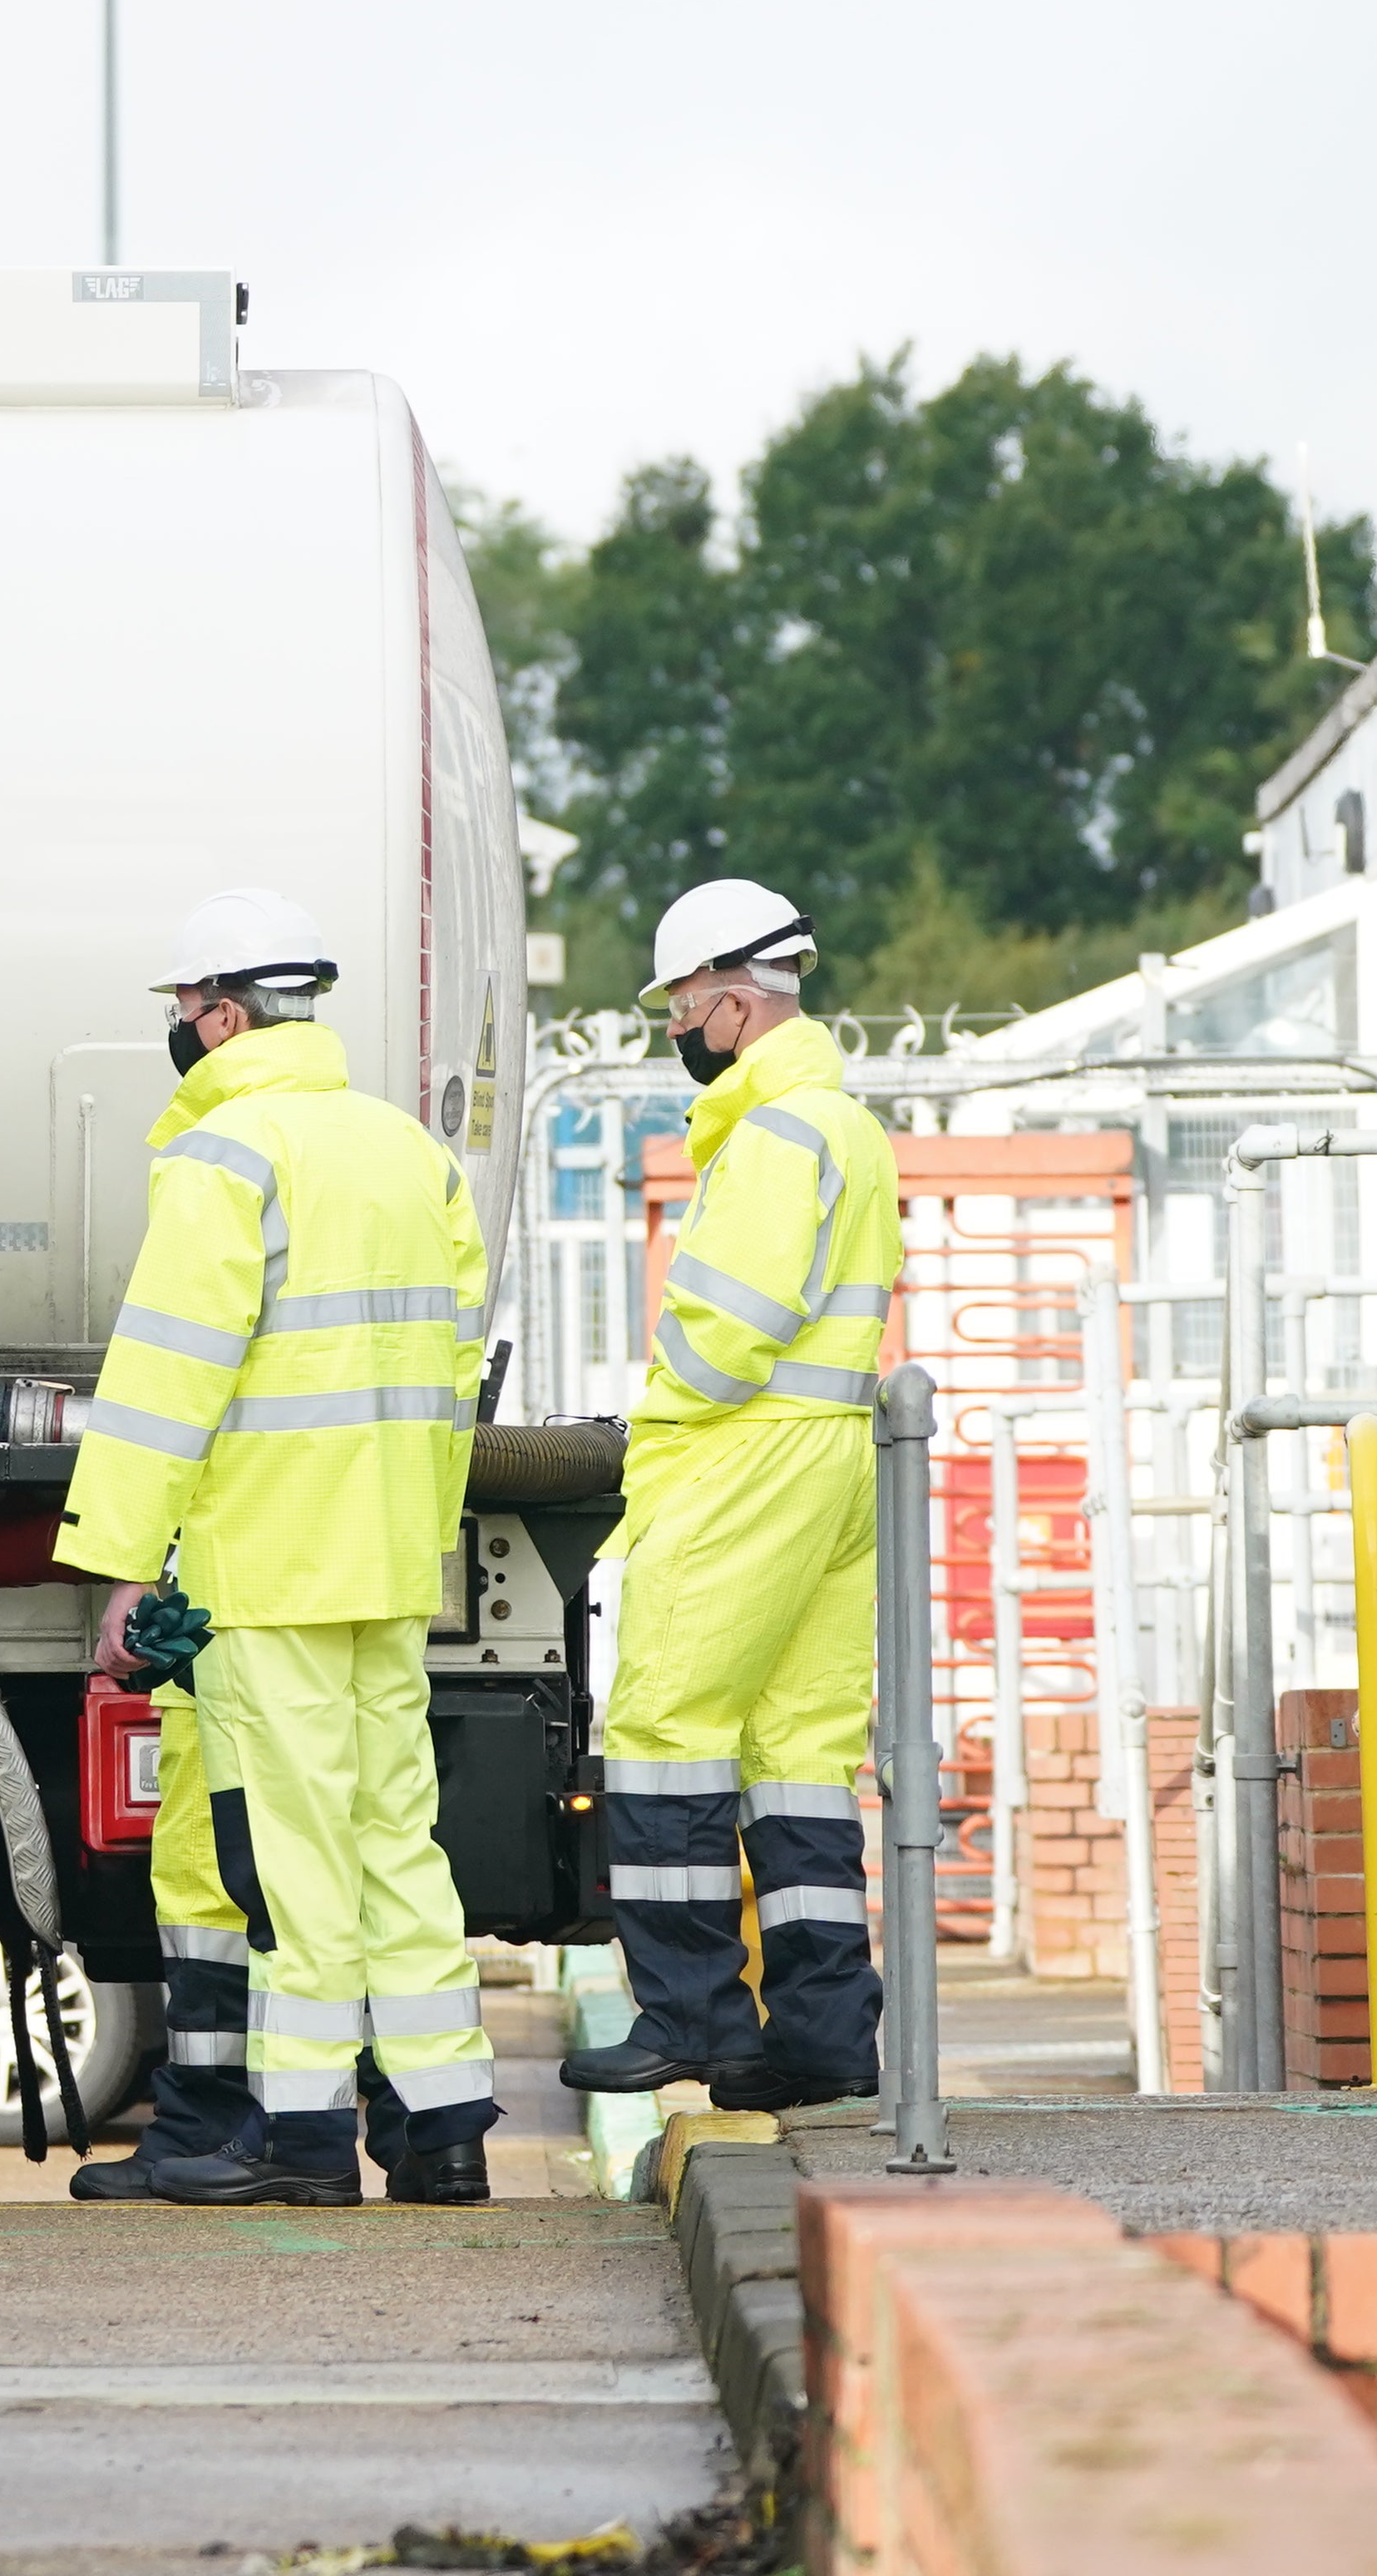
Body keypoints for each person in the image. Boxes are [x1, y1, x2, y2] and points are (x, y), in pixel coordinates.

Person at [50, 889, 501, 2209]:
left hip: (268, 1566)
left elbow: (165, 1381)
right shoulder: (409, 1153)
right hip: (384, 1560)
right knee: (393, 1845)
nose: (180, 1040)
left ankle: (302, 2141)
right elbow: (453, 1365)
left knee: (292, 1855)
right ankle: (444, 2125)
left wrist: (124, 1565)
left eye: (185, 1016)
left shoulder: (225, 1158)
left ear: (227, 1015)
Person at [557, 877, 896, 2111]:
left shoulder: (770, 1136)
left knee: (662, 1734)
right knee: (800, 1755)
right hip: (831, 1459)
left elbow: (728, 1333)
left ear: (737, 1003)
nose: (672, 1029)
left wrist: (656, 1415)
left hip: (740, 1455)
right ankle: (817, 2043)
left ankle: (693, 2022)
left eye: (681, 1005)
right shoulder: (841, 1123)